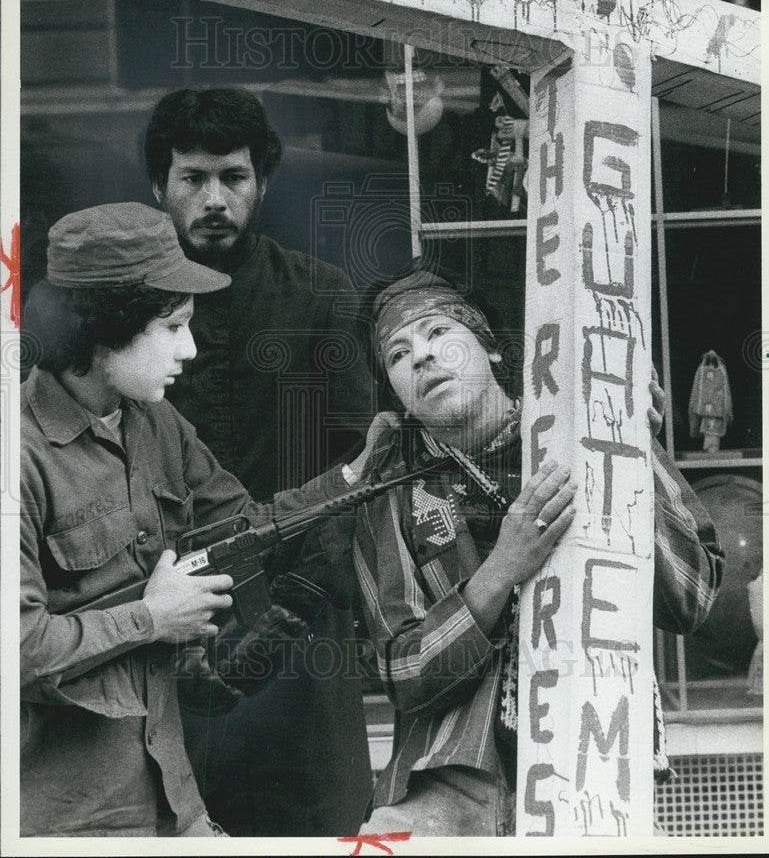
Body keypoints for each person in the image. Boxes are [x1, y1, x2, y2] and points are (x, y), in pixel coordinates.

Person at [348, 266, 725, 836]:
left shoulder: (583, 427)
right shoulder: (391, 493)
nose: (421, 357)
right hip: (449, 792)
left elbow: (692, 597)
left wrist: (628, 445)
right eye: (397, 355)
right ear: (396, 391)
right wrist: (500, 570)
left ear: (492, 350)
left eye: (437, 333)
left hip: (595, 769)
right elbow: (403, 672)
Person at [20, 203, 354, 837]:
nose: (191, 349)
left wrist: (353, 482)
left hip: (174, 798)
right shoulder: (19, 455)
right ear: (104, 327)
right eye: (172, 327)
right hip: (63, 819)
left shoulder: (154, 422)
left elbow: (246, 526)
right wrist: (153, 619)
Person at [144, 88, 374, 836]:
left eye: (232, 177)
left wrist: (295, 605)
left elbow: (359, 467)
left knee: (314, 828)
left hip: (301, 624)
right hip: (167, 627)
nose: (214, 198)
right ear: (160, 186)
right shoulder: (127, 313)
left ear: (262, 183)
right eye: (192, 178)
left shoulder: (320, 295)